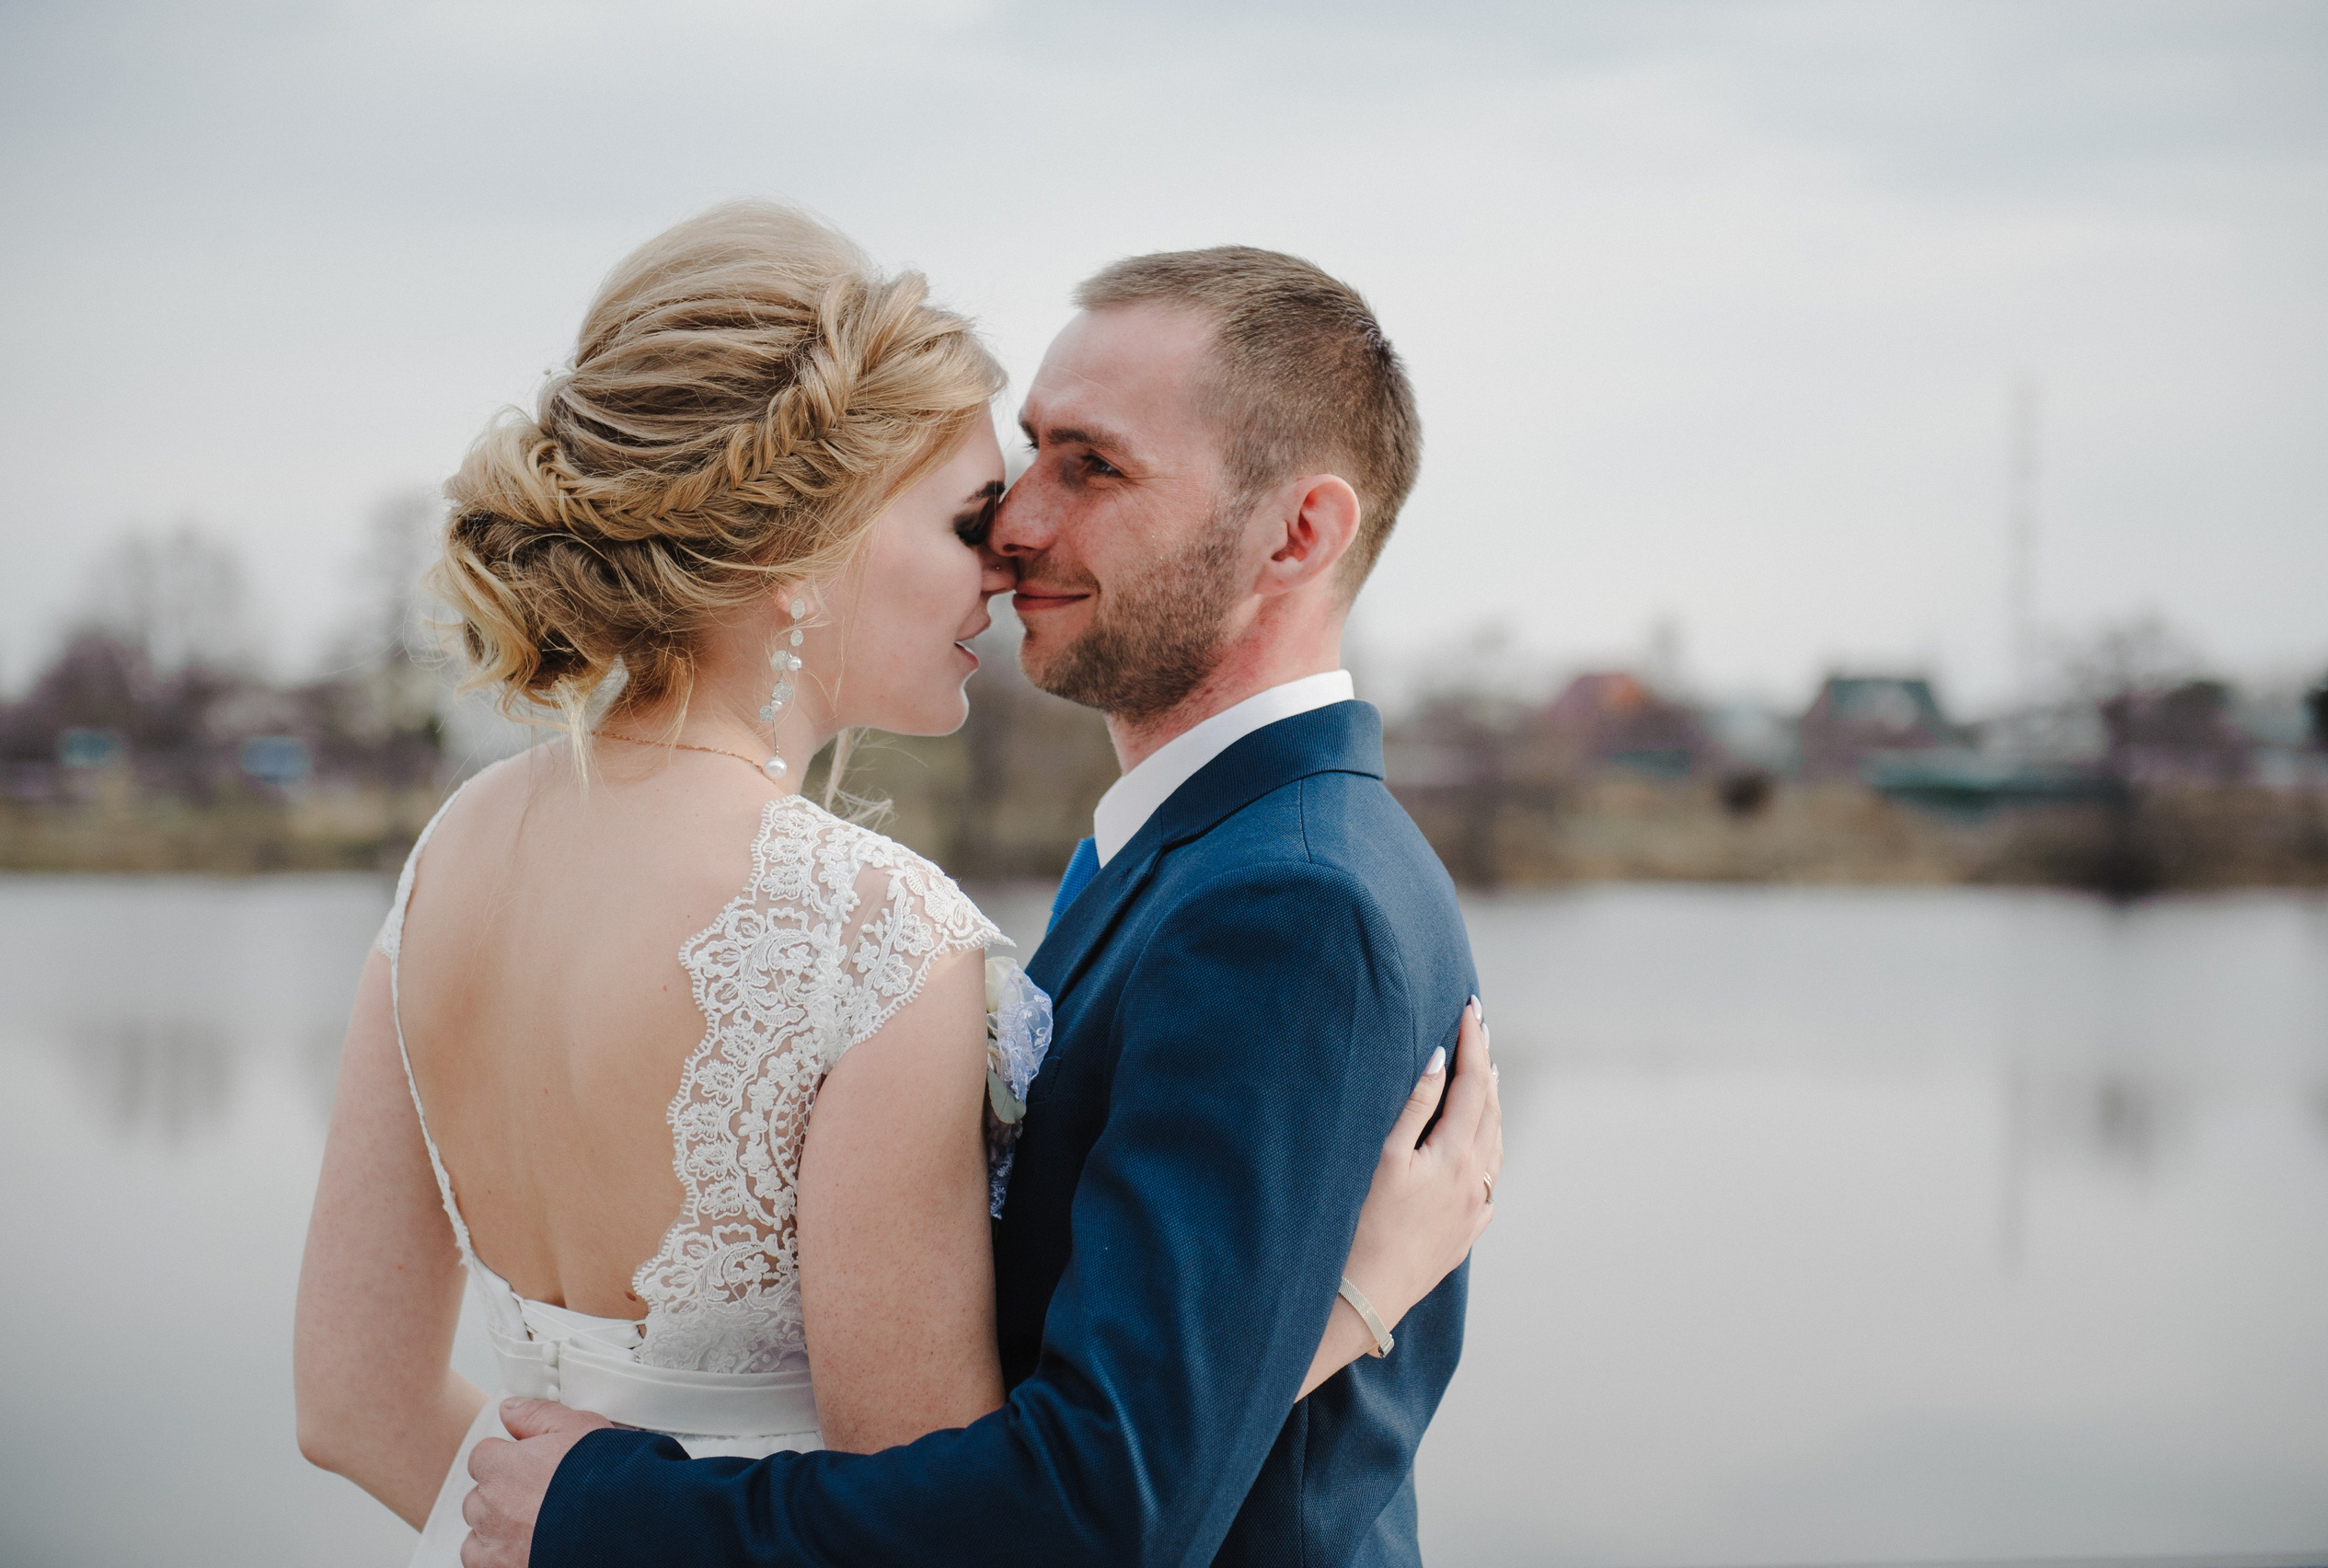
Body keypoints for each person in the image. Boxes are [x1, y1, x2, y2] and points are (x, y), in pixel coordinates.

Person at [293, 202, 1502, 1568]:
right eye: (987, 496)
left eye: (1086, 468)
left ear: (1299, 534)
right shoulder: (881, 932)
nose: (1017, 538)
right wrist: (1338, 1304)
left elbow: (355, 1406)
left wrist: (568, 1525)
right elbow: (1031, 1505)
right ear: (816, 536)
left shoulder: (458, 844)